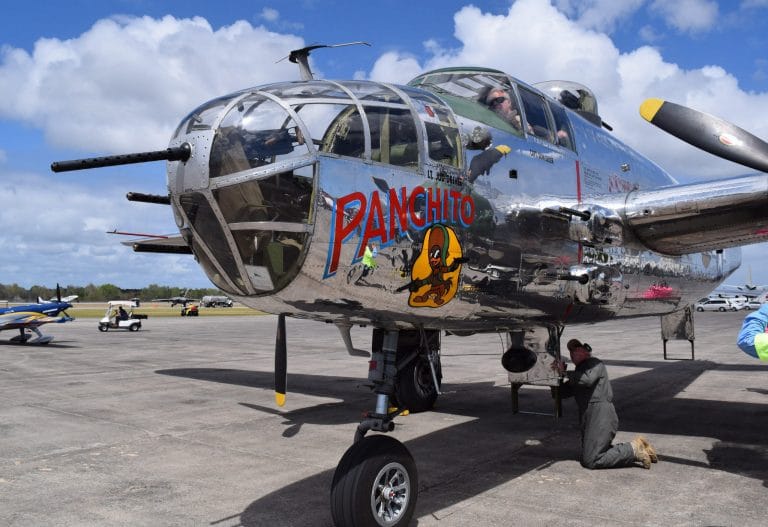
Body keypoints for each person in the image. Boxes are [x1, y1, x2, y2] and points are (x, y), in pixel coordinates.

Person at [552, 339, 658, 469]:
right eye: (571, 351)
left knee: (591, 460)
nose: (573, 353)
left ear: (586, 352)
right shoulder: (578, 374)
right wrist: (554, 376)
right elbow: (560, 394)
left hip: (601, 413)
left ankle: (634, 449)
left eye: (577, 349)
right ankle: (638, 450)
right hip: (590, 416)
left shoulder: (595, 364)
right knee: (591, 454)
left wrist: (564, 372)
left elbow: (587, 380)